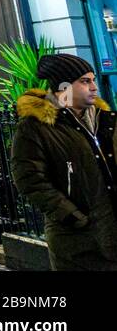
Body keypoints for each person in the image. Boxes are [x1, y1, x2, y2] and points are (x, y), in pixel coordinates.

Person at [11, 53, 117, 270]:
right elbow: (30, 180)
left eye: (93, 80)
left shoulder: (106, 120)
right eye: (85, 81)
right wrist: (73, 217)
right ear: (64, 86)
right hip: (78, 243)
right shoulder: (36, 127)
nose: (94, 87)